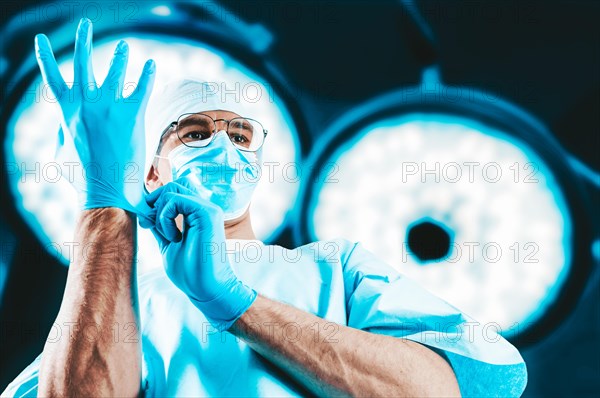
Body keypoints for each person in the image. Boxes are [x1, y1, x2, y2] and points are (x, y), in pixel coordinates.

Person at [3, 18, 527, 397]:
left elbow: (435, 393)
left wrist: (235, 304)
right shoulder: (118, 303)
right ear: (151, 173)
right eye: (195, 131)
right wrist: (104, 201)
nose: (223, 146)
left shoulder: (331, 268)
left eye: (239, 133)